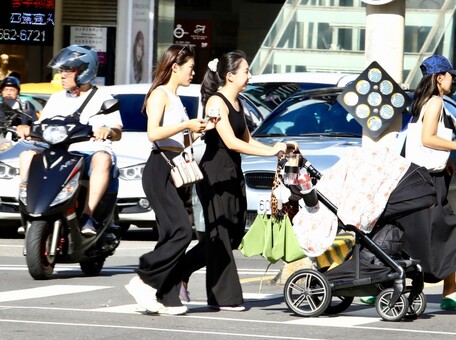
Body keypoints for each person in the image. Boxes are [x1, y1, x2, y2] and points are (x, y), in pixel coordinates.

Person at [181, 50, 292, 312]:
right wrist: (271, 151)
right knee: (219, 234)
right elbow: (231, 142)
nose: (249, 75)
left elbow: (248, 139)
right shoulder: (216, 103)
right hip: (214, 173)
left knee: (229, 236)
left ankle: (177, 272)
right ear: (230, 76)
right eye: (245, 71)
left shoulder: (239, 102)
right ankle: (224, 297)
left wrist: (278, 147)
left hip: (232, 172)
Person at [124, 44, 207, 316]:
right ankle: (143, 279)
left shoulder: (176, 97)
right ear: (175, 67)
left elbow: (181, 141)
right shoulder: (160, 94)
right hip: (158, 168)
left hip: (173, 168)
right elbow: (153, 133)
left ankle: (167, 298)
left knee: (169, 234)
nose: (193, 72)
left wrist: (200, 129)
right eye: (191, 67)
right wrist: (186, 125)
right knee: (182, 231)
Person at [402, 55, 456, 310]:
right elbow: (428, 138)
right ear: (440, 78)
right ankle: (450, 292)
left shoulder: (422, 101)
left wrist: (445, 158)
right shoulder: (436, 101)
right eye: (451, 76)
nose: (453, 80)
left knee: (415, 233)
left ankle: (387, 283)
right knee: (450, 230)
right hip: (428, 181)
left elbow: (419, 141)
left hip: (419, 176)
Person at [16, 45, 123, 236]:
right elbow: (41, 125)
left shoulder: (102, 97)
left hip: (87, 153)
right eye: (61, 71)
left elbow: (117, 131)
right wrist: (27, 128)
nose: (61, 76)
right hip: (58, 152)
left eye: (67, 71)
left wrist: (107, 130)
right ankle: (28, 210)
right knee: (27, 155)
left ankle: (87, 216)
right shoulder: (56, 98)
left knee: (103, 158)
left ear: (83, 72)